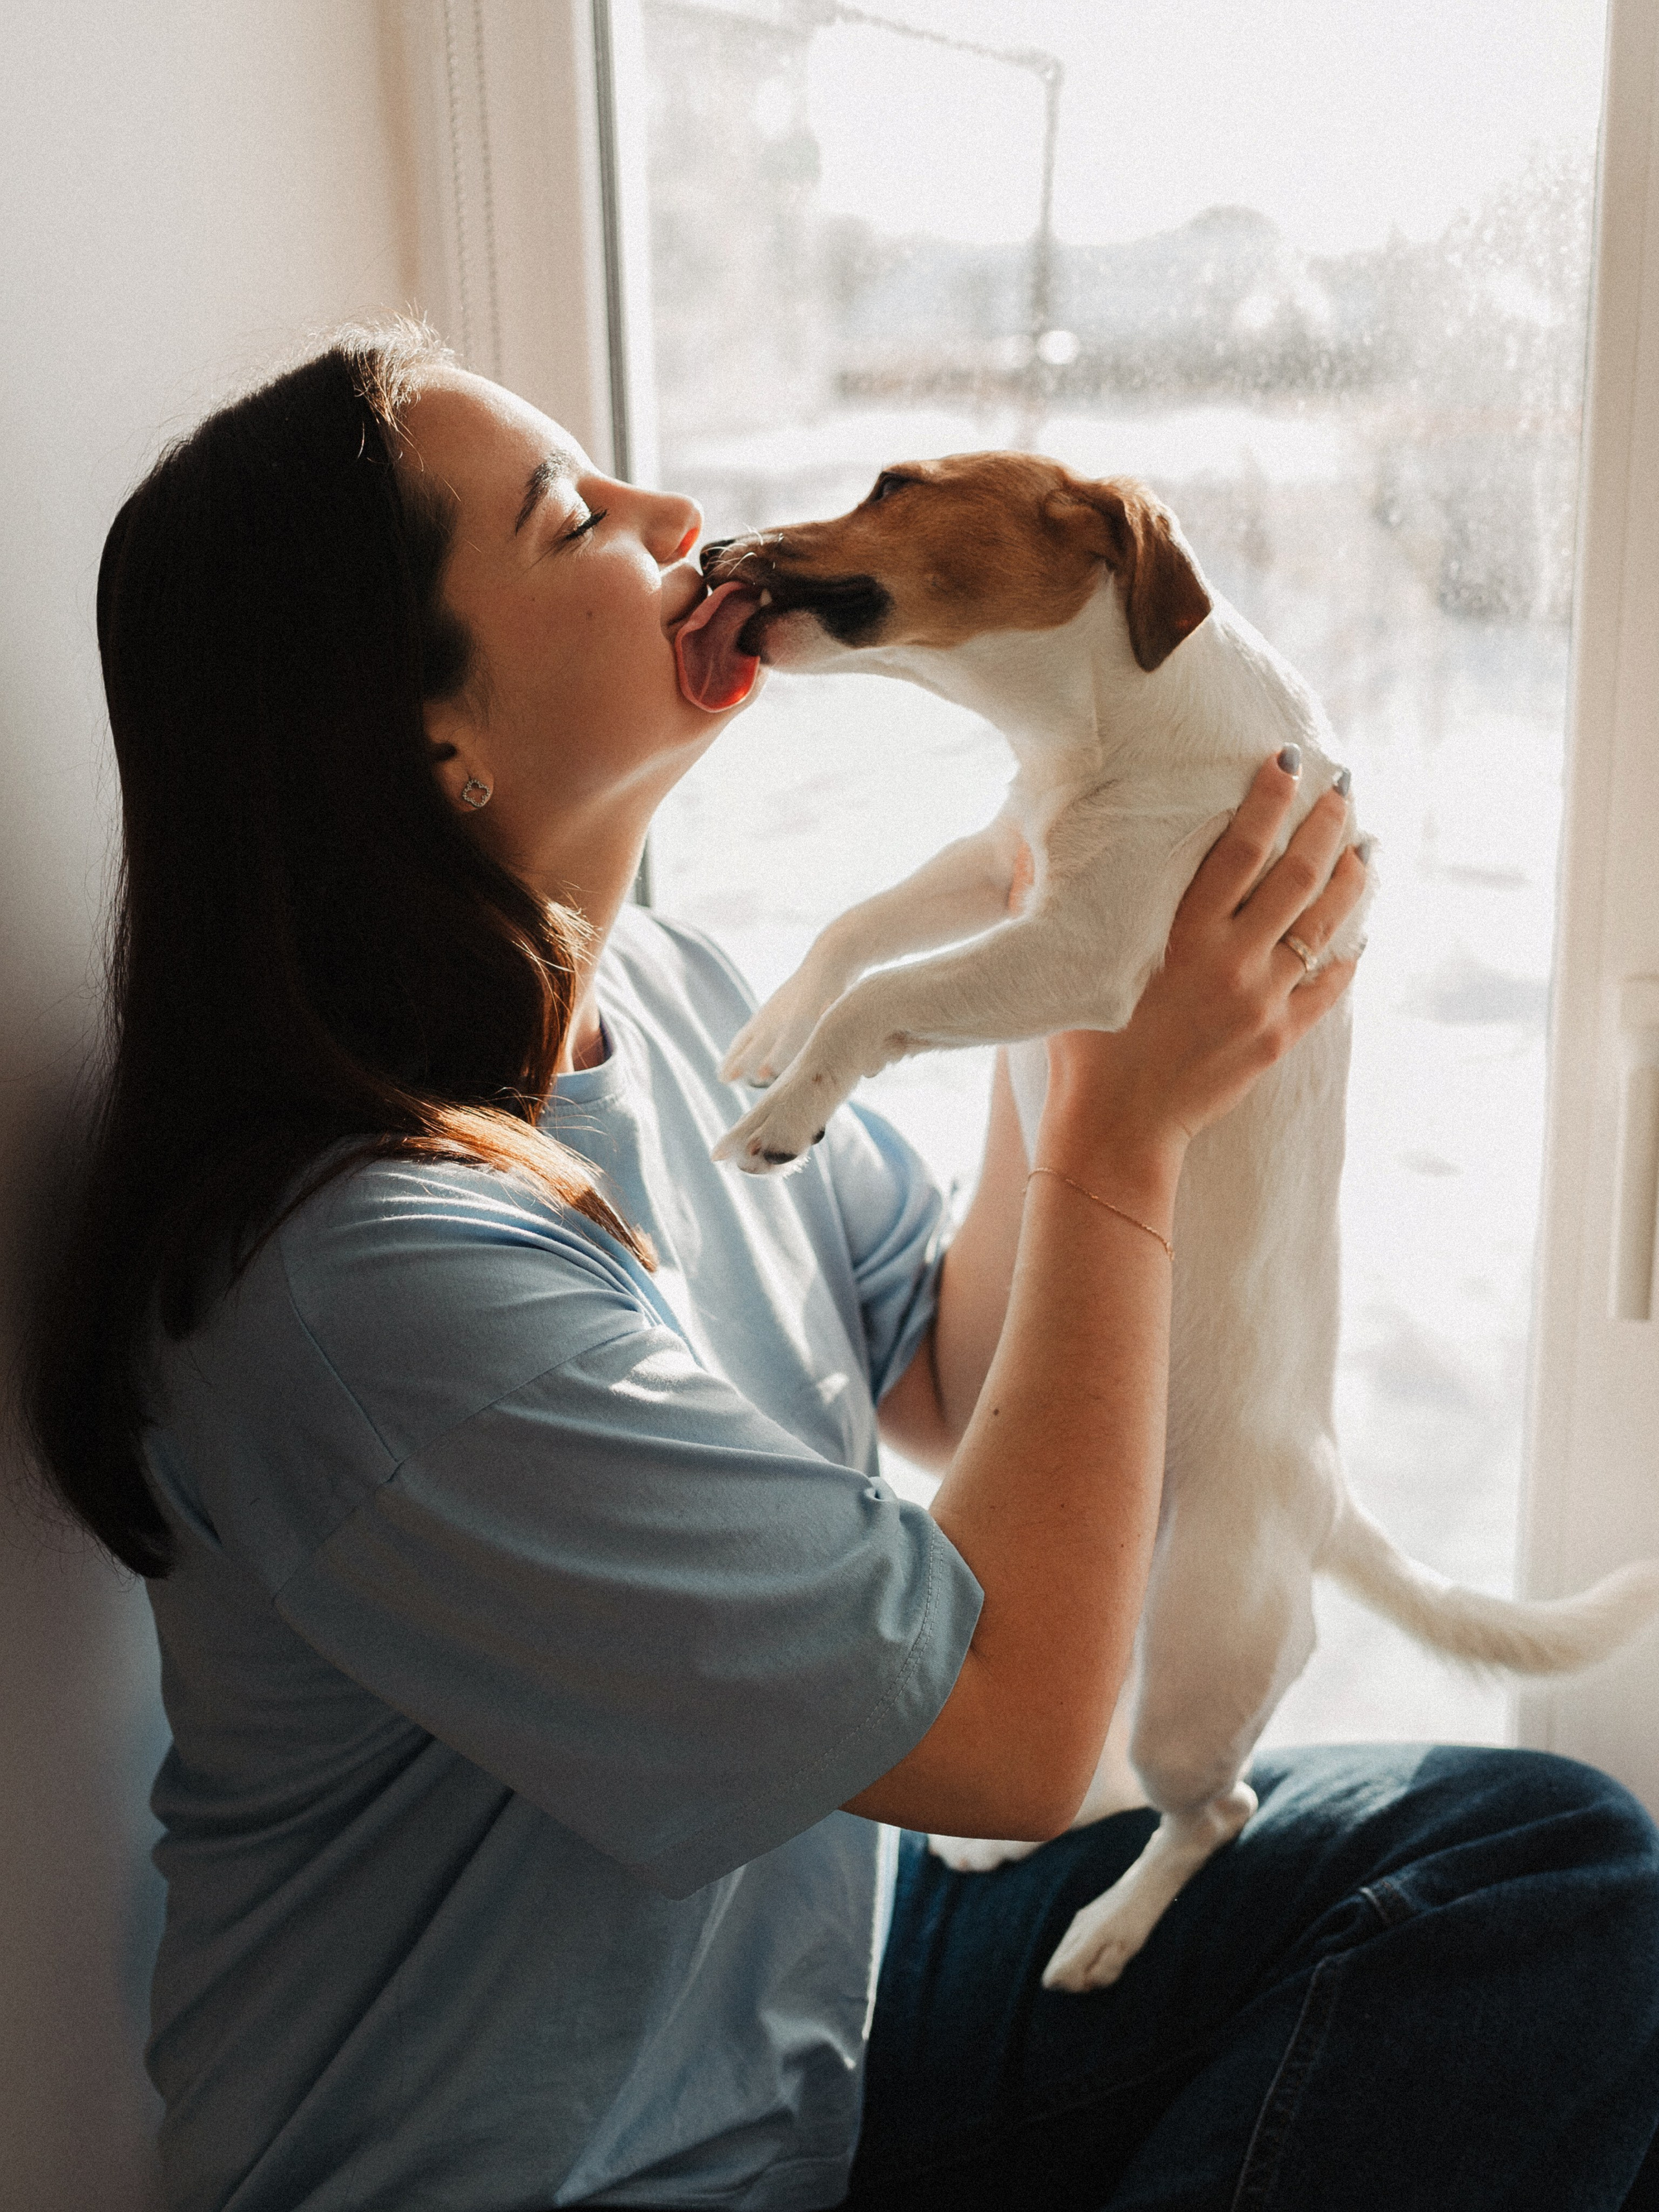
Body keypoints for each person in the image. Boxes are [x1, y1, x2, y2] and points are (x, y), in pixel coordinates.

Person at [27, 320, 1659, 2212]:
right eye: (577, 519)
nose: (679, 516)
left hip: (820, 2023)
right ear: (432, 739)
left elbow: (965, 1376)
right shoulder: (376, 1293)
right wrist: (1128, 1133)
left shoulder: (670, 1000)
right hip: (589, 2173)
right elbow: (1020, 1733)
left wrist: (1092, 954)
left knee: (1534, 1877)